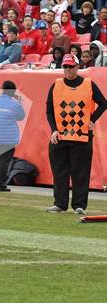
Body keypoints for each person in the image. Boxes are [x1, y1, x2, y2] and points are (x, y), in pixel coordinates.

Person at [46, 54, 106, 214]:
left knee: (81, 172)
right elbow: (49, 111)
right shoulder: (56, 85)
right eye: (65, 67)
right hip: (60, 136)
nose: (67, 70)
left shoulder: (89, 84)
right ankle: (60, 204)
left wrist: (92, 119)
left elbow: (103, 103)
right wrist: (53, 130)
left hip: (82, 136)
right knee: (60, 172)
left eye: (70, 66)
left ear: (77, 67)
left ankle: (79, 205)